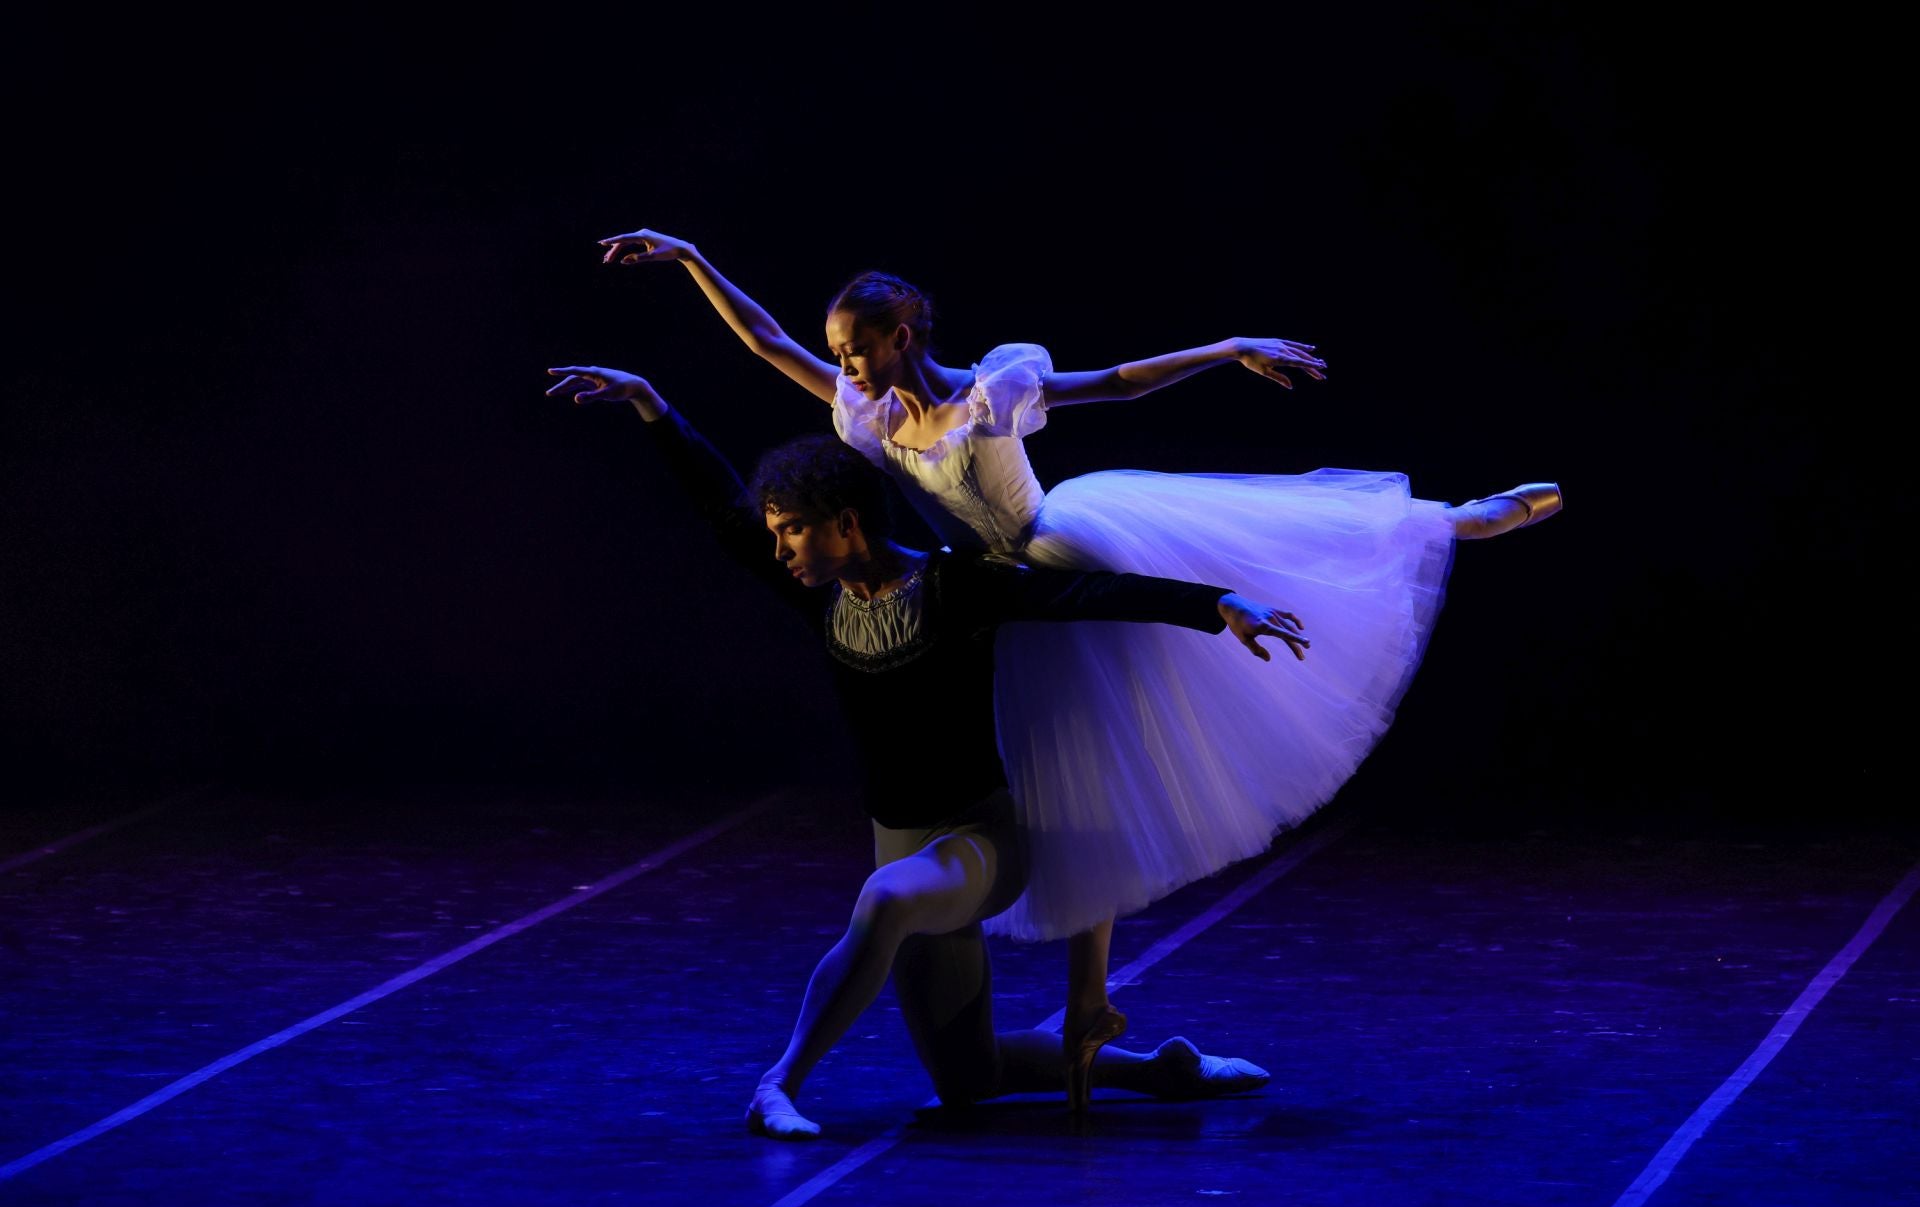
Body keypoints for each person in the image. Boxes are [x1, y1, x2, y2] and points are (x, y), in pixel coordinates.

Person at [591, 227, 1562, 1094]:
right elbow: (767, 342)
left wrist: (1226, 349)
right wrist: (689, 261)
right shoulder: (870, 415)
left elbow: (1120, 379)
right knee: (1065, 780)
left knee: (1166, 670)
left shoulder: (993, 390)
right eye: (839, 353)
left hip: (1062, 551)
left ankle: (1451, 521)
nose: (845, 366)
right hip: (985, 593)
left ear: (905, 334)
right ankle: (1091, 1012)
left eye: (859, 348)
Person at [546, 361, 1301, 1133]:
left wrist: (1217, 605)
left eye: (793, 531)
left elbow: (1083, 595)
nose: (779, 552)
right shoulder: (824, 600)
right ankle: (1159, 1071)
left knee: (884, 898)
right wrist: (651, 402)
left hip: (979, 840)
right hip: (901, 845)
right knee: (968, 1079)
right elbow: (721, 508)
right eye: (775, 534)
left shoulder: (952, 587)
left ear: (847, 523)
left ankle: (778, 1084)